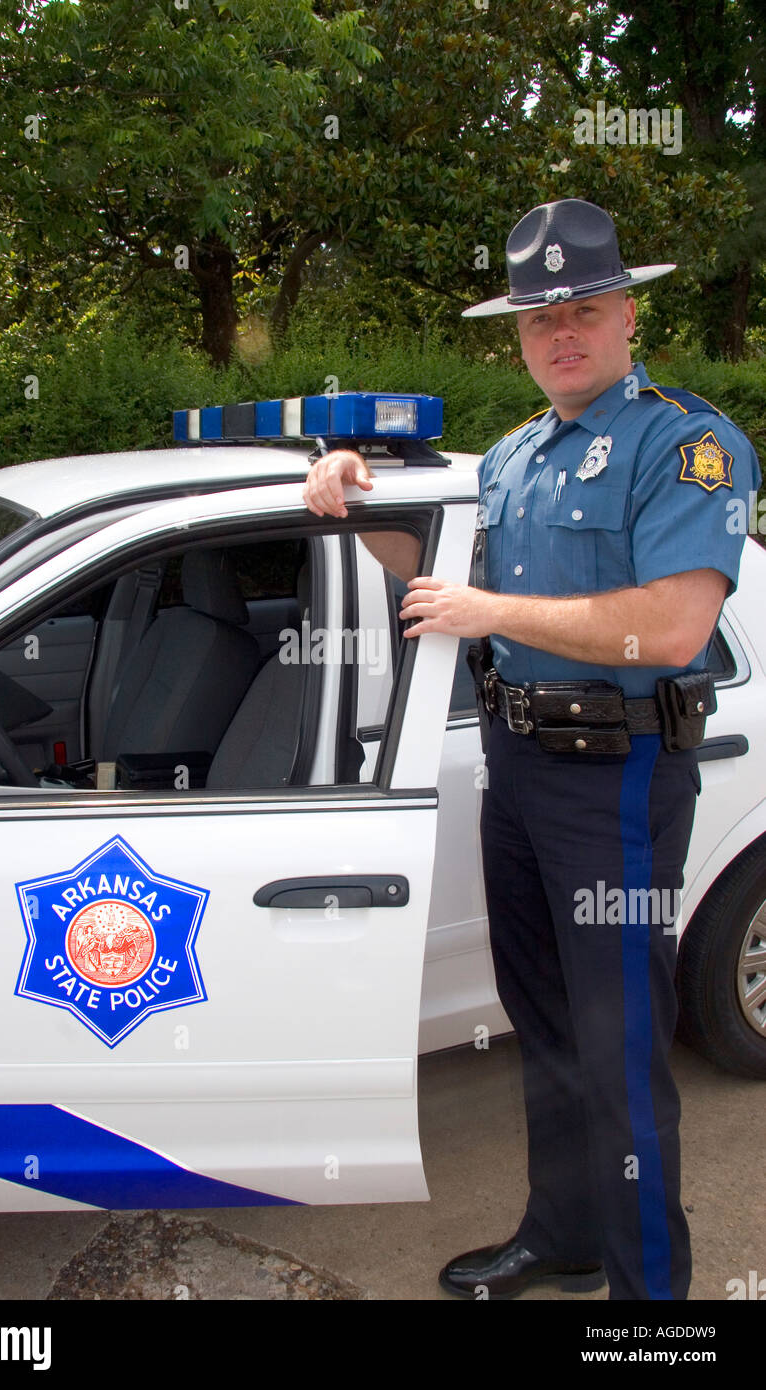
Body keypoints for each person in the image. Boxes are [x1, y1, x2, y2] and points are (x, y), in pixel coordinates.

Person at [302, 198, 762, 1302]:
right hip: (515, 766)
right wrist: (347, 498)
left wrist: (487, 612)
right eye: (537, 320)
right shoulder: (508, 458)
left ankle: (651, 1302)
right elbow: (432, 588)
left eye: (584, 311)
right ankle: (559, 1235)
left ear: (626, 319)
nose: (561, 333)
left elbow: (671, 627)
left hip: (616, 772)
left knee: (616, 1045)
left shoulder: (686, 443)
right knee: (544, 1021)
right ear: (516, 336)